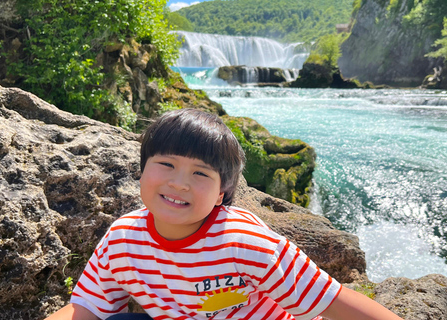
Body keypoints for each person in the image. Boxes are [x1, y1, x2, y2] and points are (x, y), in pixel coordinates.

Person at [46, 108, 404, 320]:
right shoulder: (124, 239)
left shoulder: (243, 242)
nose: (180, 183)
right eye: (166, 164)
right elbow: (87, 309)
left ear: (221, 194)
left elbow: (334, 301)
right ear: (142, 171)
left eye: (200, 173)